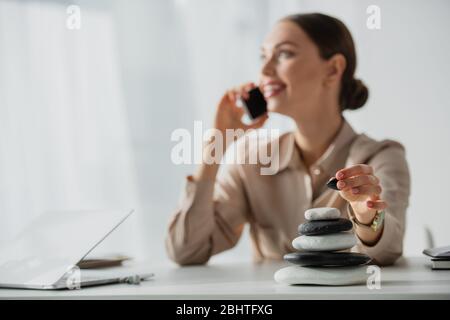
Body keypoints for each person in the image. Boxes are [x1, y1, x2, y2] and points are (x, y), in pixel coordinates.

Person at [165, 13, 410, 266]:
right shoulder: (252, 161)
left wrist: (367, 216)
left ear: (333, 68)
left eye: (284, 54)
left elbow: (386, 251)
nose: (264, 70)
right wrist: (216, 145)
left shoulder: (381, 157)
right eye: (263, 56)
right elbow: (186, 251)